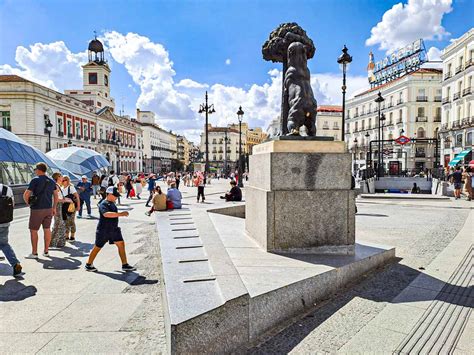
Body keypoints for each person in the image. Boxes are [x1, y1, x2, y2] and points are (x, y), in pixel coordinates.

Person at [85, 186, 136, 272]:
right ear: (108, 194)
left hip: (114, 229)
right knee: (97, 247)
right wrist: (120, 214)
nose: (116, 197)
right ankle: (88, 264)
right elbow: (106, 214)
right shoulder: (103, 204)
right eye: (115, 195)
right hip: (103, 230)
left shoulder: (112, 203)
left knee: (121, 244)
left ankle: (125, 264)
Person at [23, 162, 59, 259]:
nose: (34, 171)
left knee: (33, 230)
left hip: (37, 209)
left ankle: (34, 253)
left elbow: (26, 194)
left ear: (38, 170)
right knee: (47, 229)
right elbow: (56, 195)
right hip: (48, 209)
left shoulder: (35, 180)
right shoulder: (52, 181)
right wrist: (54, 207)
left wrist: (28, 203)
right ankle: (46, 251)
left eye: (35, 169)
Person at [0, 182, 23, 276]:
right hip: (4, 221)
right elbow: (12, 205)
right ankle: (15, 264)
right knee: (4, 244)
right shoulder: (6, 188)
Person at [50, 173, 72, 248]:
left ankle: (58, 243)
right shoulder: (55, 186)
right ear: (58, 177)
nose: (63, 177)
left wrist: (66, 199)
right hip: (57, 206)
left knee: (59, 224)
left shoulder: (58, 186)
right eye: (61, 176)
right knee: (59, 224)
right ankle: (53, 243)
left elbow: (60, 198)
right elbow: (55, 199)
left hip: (59, 206)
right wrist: (65, 200)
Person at [61, 176, 80, 241]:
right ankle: (66, 236)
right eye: (62, 180)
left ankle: (72, 236)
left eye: (64, 180)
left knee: (71, 221)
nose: (62, 182)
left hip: (71, 206)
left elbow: (77, 197)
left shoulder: (71, 187)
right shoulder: (61, 188)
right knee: (65, 221)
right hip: (64, 207)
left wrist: (78, 206)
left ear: (67, 180)